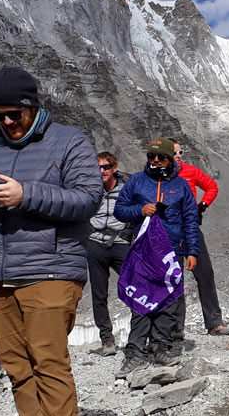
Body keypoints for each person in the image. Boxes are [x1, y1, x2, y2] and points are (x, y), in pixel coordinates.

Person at [0, 66, 102, 416]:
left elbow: (87, 199)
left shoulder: (70, 142)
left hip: (50, 271)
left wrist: (26, 195)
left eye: (13, 114)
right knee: (17, 368)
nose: (6, 122)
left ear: (33, 106)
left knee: (48, 362)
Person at [112, 138, 200, 378]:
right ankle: (136, 352)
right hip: (143, 250)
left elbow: (190, 220)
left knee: (169, 299)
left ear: (170, 159)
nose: (155, 161)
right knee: (140, 297)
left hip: (172, 250)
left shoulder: (181, 186)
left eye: (160, 157)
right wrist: (140, 210)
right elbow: (119, 210)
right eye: (152, 156)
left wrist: (192, 251)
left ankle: (161, 346)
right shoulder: (137, 182)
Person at [171, 139, 229, 336]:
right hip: (170, 231)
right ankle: (175, 328)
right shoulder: (159, 177)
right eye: (175, 152)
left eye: (180, 152)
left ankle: (214, 323)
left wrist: (203, 205)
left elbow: (212, 186)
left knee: (205, 274)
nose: (179, 155)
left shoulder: (190, 171)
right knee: (174, 277)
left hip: (191, 229)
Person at [86, 152, 134, 357]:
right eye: (98, 167)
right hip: (95, 244)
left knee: (135, 288)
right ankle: (107, 340)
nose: (102, 171)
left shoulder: (127, 188)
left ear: (115, 168)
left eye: (106, 167)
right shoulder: (89, 189)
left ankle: (138, 337)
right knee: (98, 294)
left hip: (121, 243)